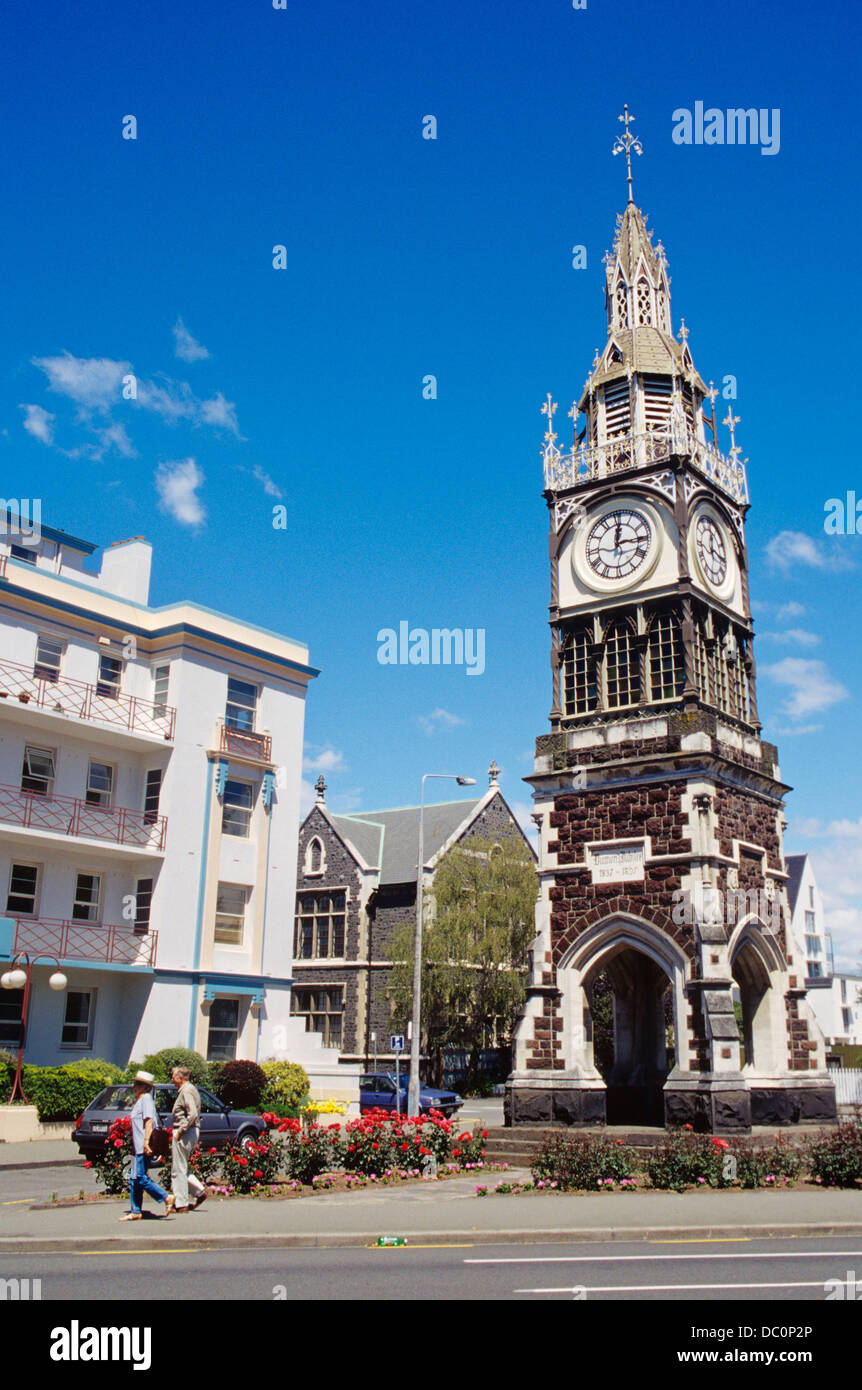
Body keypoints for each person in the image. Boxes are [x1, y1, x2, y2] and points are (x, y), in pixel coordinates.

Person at [120, 1071, 175, 1221]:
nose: (134, 1087)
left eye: (138, 1084)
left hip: (144, 1145)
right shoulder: (141, 1101)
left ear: (145, 1087)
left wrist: (145, 1142)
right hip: (138, 1145)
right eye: (135, 1084)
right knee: (134, 1178)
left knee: (140, 1177)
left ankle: (166, 1197)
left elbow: (149, 1121)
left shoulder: (146, 1100)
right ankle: (136, 1211)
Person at [170, 1065, 207, 1212]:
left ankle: (181, 1203)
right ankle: (199, 1192)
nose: (172, 1079)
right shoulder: (188, 1090)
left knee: (178, 1169)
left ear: (180, 1078)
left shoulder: (186, 1091)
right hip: (190, 1131)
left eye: (173, 1076)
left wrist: (180, 1130)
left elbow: (192, 1114)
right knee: (181, 1166)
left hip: (186, 1132)